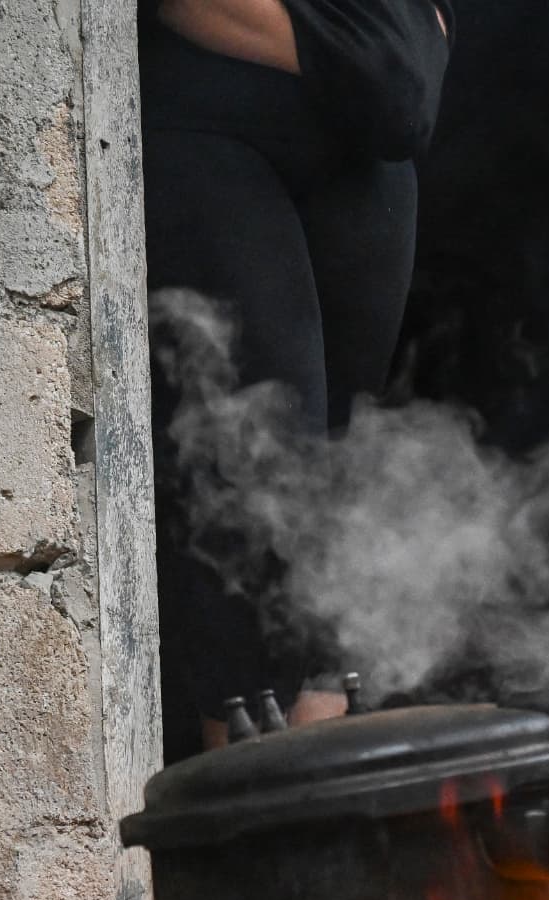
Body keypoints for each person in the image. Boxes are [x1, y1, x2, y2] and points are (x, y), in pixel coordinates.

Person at [141, 0, 452, 754]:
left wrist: (402, 49)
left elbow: (406, 65)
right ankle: (247, 822)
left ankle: (320, 829)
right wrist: (365, 53)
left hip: (365, 158)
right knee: (250, 464)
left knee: (332, 472)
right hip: (214, 127)